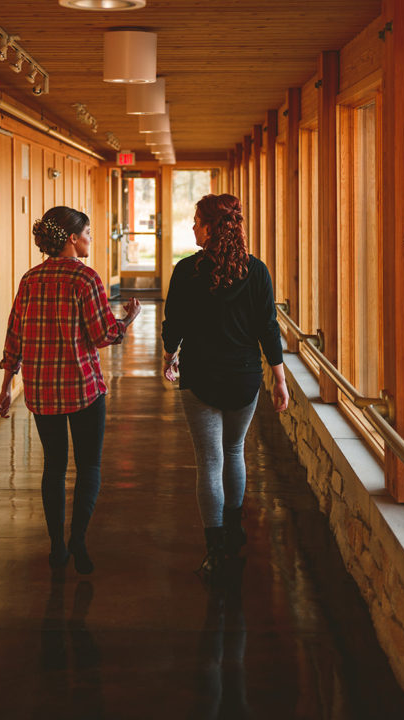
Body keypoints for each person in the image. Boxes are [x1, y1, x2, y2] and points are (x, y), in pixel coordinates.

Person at [0, 205, 141, 574]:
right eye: (88, 233)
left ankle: (56, 547)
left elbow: (15, 334)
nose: (91, 239)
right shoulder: (86, 279)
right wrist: (128, 320)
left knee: (54, 468)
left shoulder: (30, 280)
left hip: (41, 390)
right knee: (89, 465)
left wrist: (4, 386)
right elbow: (102, 334)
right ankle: (79, 537)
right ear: (73, 239)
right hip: (83, 389)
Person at [161, 193, 289, 577]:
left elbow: (173, 325)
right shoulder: (257, 272)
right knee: (234, 452)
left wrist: (170, 357)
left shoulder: (186, 271)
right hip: (245, 377)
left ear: (213, 226)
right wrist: (279, 379)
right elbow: (268, 327)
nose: (193, 226)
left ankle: (214, 548)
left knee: (209, 461)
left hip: (200, 377)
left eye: (197, 220)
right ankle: (234, 531)